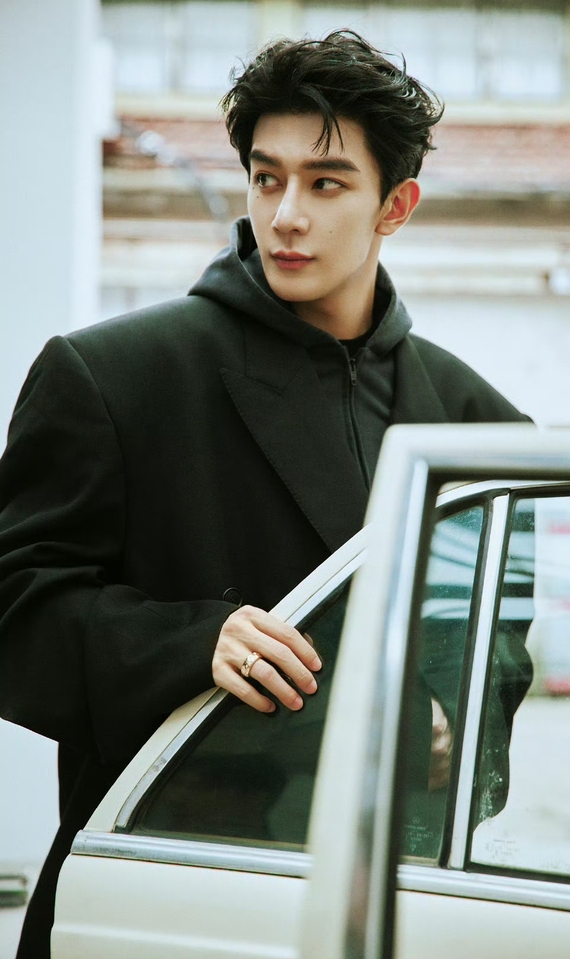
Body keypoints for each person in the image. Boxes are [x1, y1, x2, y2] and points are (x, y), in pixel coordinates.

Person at [0, 30, 531, 958]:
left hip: (392, 901)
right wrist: (190, 642)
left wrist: (455, 728)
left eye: (325, 184)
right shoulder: (114, 376)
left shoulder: (479, 423)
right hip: (164, 899)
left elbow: (499, 658)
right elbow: (13, 608)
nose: (285, 215)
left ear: (395, 206)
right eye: (266, 177)